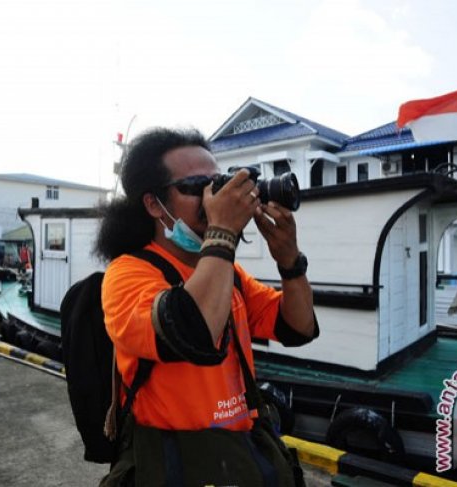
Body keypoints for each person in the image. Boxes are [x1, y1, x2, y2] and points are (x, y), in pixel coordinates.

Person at [96, 127, 318, 486]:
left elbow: (298, 327)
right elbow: (191, 331)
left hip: (240, 454)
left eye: (215, 184)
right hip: (174, 462)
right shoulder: (126, 273)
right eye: (195, 186)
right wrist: (223, 232)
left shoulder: (228, 272)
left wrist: (290, 261)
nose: (212, 197)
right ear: (153, 204)